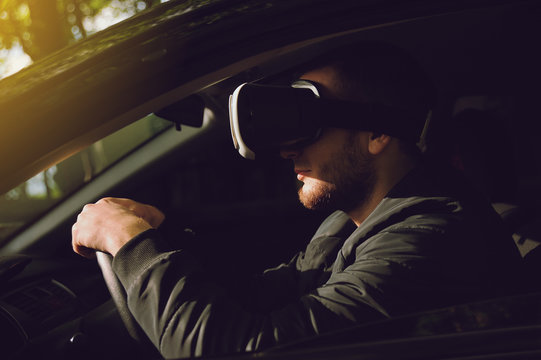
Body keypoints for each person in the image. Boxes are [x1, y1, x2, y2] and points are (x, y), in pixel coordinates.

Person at [72, 42, 525, 358]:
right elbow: (261, 298)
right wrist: (160, 238)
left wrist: (131, 242)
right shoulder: (350, 223)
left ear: (379, 132)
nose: (288, 148)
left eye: (308, 123)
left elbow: (246, 351)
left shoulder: (430, 240)